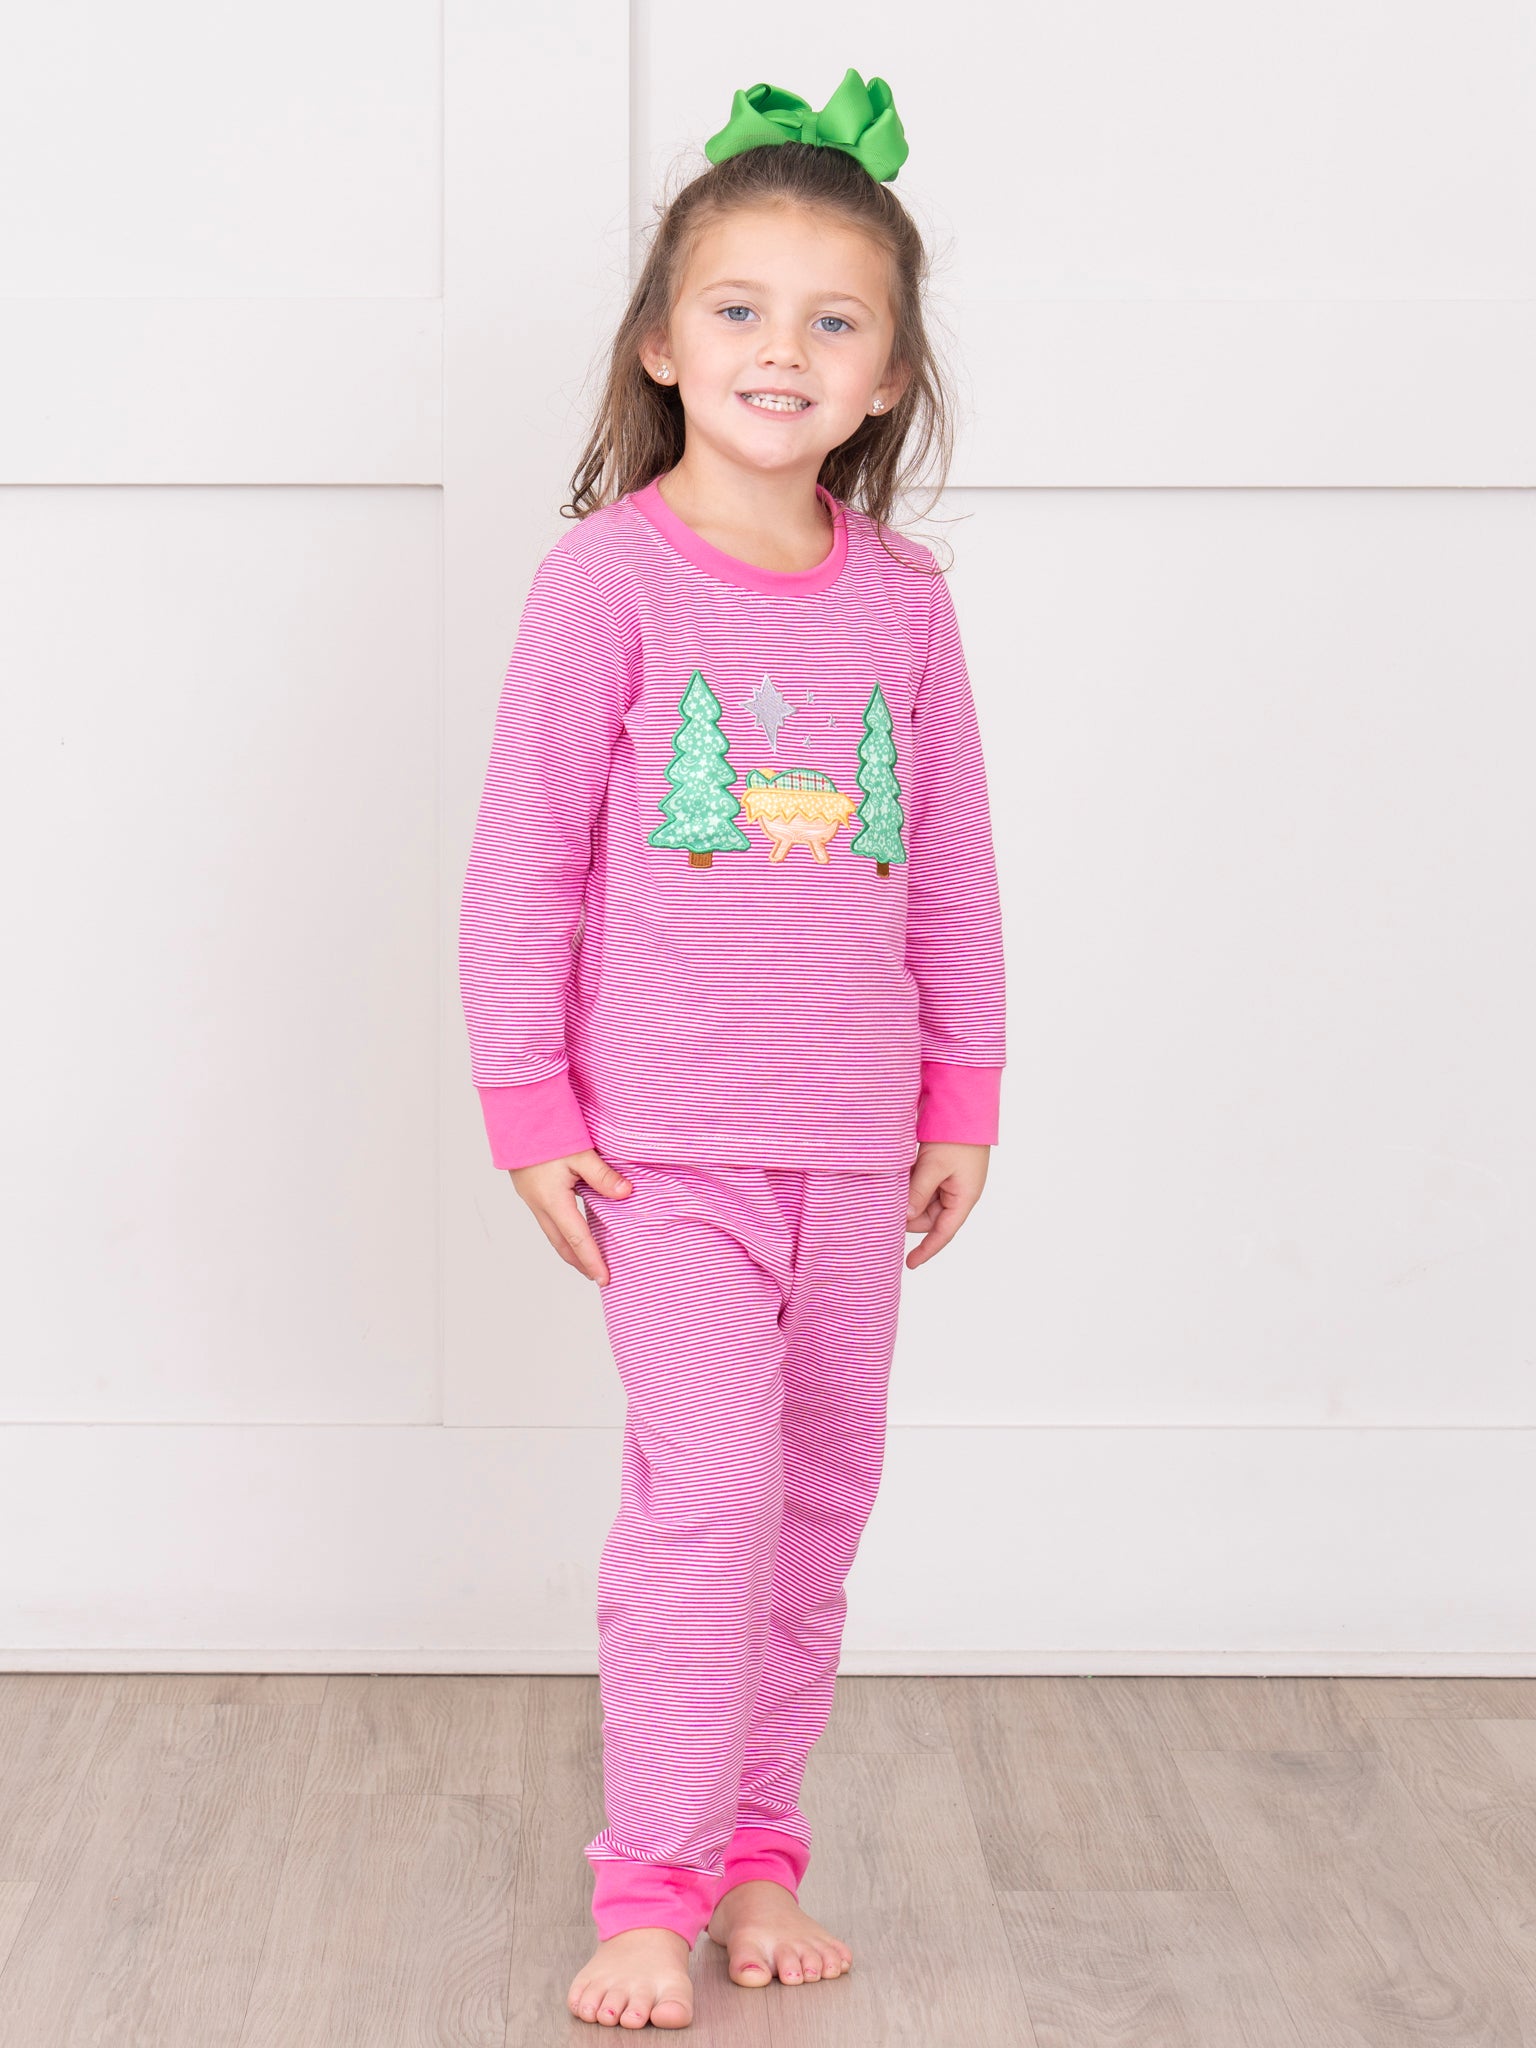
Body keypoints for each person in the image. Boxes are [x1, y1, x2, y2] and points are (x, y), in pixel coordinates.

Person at [458, 67, 1006, 2032]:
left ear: (886, 376)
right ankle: (651, 1884)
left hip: (855, 1149)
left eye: (835, 320)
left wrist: (962, 1096)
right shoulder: (606, 581)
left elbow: (951, 868)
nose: (785, 348)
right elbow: (522, 860)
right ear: (662, 342)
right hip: (666, 1151)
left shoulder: (906, 606)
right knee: (706, 1500)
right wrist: (527, 1105)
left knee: (819, 1502)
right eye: (742, 308)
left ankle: (763, 1847)